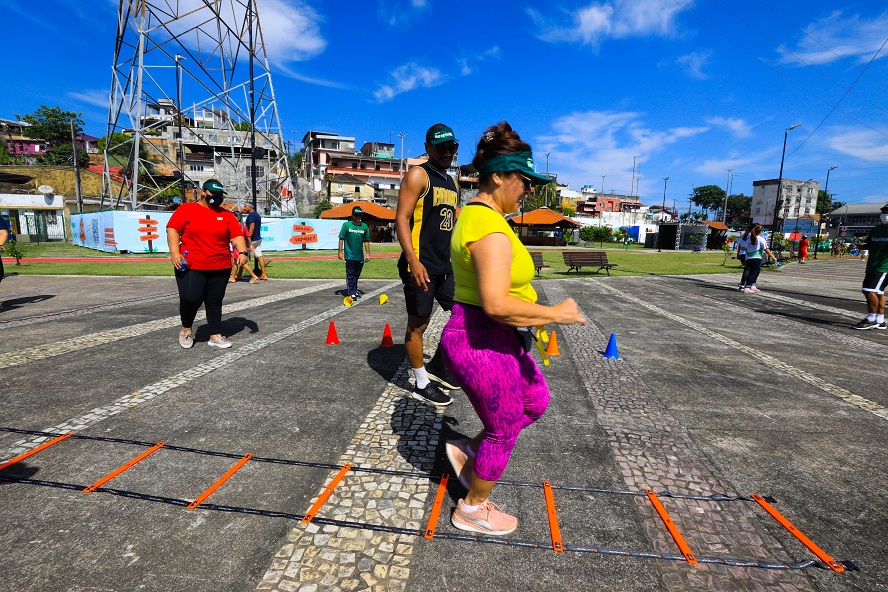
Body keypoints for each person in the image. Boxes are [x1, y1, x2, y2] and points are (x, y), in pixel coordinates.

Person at [440, 121, 586, 536]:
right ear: (501, 175)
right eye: (524, 180)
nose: (528, 189)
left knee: (535, 401)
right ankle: (472, 508)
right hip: (480, 336)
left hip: (497, 337)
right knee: (503, 430)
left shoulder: (485, 217)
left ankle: (472, 451)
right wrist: (557, 313)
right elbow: (498, 304)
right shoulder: (487, 225)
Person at [395, 123, 461, 406]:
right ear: (428, 148)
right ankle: (421, 382)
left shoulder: (452, 181)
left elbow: (451, 225)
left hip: (445, 267)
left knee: (465, 315)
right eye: (442, 148)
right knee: (418, 326)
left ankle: (437, 364)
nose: (448, 153)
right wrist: (413, 260)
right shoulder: (418, 175)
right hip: (420, 266)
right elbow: (400, 219)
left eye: (453, 147)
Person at [166, 179, 249, 349]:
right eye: (213, 194)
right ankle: (186, 329)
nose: (217, 198)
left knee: (214, 300)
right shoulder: (187, 209)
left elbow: (236, 236)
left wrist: (242, 252)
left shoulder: (226, 215)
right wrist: (175, 253)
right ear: (203, 192)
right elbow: (173, 229)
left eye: (220, 195)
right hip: (191, 265)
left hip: (220, 265)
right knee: (191, 298)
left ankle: (215, 334)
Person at [851, 203, 888, 330]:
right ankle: (880, 320)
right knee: (878, 292)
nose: (885, 215)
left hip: (884, 267)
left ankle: (871, 318)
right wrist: (860, 247)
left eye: (887, 212)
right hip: (872, 265)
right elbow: (869, 244)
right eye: (883, 212)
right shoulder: (876, 229)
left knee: (868, 290)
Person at [338, 206, 371, 300]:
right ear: (352, 215)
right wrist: (340, 252)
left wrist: (368, 253)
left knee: (356, 274)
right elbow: (341, 238)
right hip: (349, 255)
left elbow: (366, 241)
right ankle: (351, 291)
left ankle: (354, 289)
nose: (358, 217)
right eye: (356, 215)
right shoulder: (346, 225)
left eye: (360, 215)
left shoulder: (364, 226)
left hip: (359, 256)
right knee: (350, 274)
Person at [739, 224, 776, 294]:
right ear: (760, 232)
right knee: (753, 272)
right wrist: (773, 257)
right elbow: (766, 249)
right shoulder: (760, 239)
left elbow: (745, 248)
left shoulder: (750, 239)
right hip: (756, 257)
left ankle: (751, 285)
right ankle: (747, 287)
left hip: (749, 257)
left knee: (754, 271)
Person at [230, 211, 260, 284]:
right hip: (242, 245)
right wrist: (250, 244)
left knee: (240, 262)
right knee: (235, 262)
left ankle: (253, 276)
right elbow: (248, 236)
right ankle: (233, 277)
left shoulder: (235, 226)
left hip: (237, 246)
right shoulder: (244, 226)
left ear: (236, 217)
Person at [243, 203, 268, 280]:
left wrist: (248, 239)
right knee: (259, 255)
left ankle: (240, 274)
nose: (244, 208)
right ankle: (264, 274)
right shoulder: (257, 215)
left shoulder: (251, 216)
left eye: (245, 206)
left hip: (252, 240)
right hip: (257, 239)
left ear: (250, 208)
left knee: (242, 255)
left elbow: (252, 227)